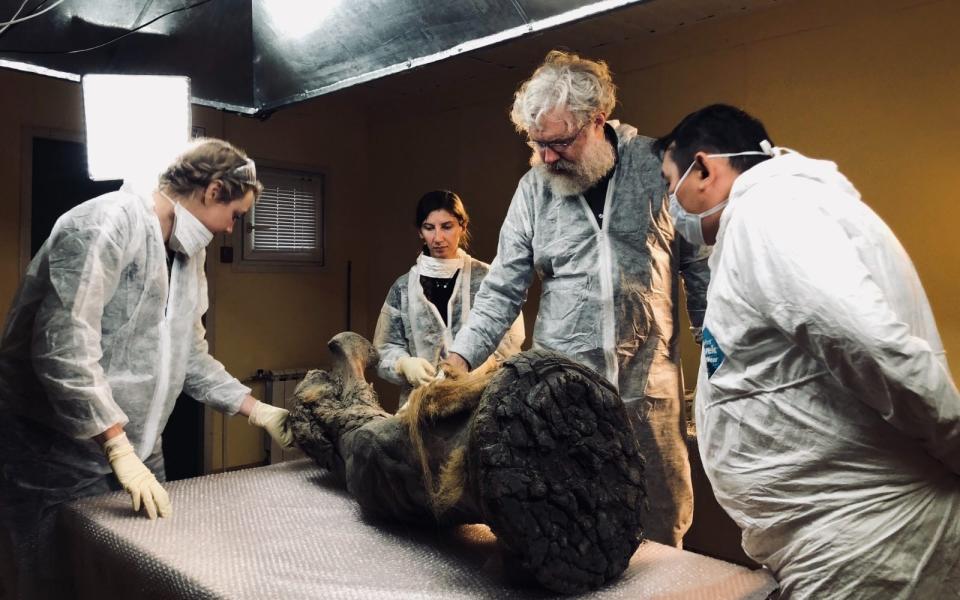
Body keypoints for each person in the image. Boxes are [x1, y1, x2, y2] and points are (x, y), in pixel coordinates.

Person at [654, 103, 960, 598]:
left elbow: (867, 343)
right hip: (851, 538)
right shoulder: (772, 215)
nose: (671, 205)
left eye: (671, 185)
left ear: (705, 168)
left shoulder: (767, 214)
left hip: (868, 541)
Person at [0, 138, 295, 598]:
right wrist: (115, 445)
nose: (231, 231)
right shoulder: (103, 225)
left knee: (135, 572)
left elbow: (189, 355)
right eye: (235, 215)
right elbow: (63, 347)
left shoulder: (187, 253)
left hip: (138, 447)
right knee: (55, 575)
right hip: (56, 450)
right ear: (214, 190)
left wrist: (257, 410)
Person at [445, 51, 711, 547]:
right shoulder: (533, 191)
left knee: (659, 523)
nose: (546, 157)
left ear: (597, 121)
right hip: (563, 396)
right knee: (567, 520)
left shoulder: (658, 169)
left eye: (559, 143)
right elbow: (503, 286)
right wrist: (459, 360)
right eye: (536, 143)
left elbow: (698, 269)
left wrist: (719, 352)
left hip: (647, 392)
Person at [373, 190, 524, 409]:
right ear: (419, 232)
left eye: (447, 226)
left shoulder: (488, 280)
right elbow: (384, 346)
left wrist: (484, 365)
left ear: (462, 227)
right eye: (429, 228)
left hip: (481, 403)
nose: (438, 238)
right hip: (421, 410)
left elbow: (510, 336)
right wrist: (403, 364)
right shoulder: (403, 288)